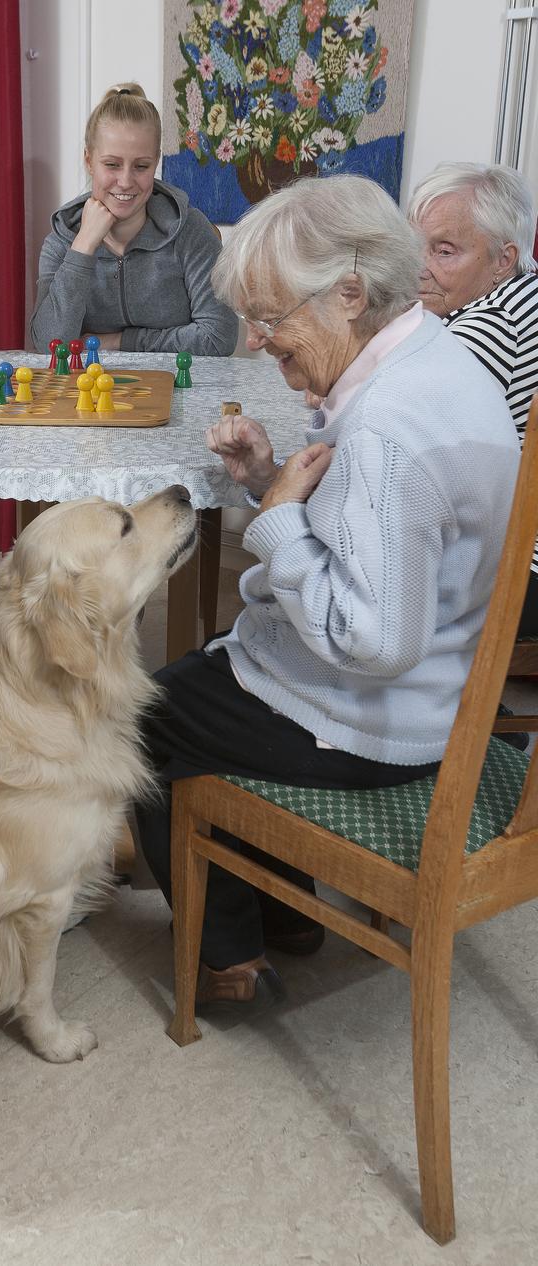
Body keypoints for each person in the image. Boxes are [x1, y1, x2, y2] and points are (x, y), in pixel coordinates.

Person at [132, 174, 519, 1008]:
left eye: (273, 319)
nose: (262, 340)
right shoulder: (439, 356)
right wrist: (275, 479)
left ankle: (229, 958)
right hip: (442, 693)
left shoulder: (384, 427)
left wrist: (274, 523)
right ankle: (288, 914)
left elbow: (374, 641)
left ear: (349, 294)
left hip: (380, 720)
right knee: (209, 671)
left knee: (140, 713)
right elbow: (384, 539)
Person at [408, 161, 538, 631]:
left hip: (516, 572)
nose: (418, 268)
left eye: (444, 251)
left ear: (503, 259)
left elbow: (407, 449)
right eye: (415, 245)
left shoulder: (488, 325)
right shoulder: (526, 287)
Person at [29, 83, 237, 357]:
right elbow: (48, 346)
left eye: (141, 166)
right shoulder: (63, 239)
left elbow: (218, 337)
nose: (126, 181)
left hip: (182, 391)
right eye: (112, 164)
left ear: (156, 163)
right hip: (89, 394)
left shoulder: (191, 230)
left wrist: (118, 341)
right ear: (89, 161)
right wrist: (83, 247)